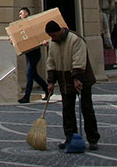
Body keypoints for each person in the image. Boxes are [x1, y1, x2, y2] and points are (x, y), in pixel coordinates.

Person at [44, 20, 100, 151]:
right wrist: (51, 81)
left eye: (53, 35)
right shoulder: (52, 43)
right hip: (64, 81)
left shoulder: (75, 39)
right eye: (50, 36)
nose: (52, 38)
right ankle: (70, 138)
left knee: (87, 110)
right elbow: (50, 62)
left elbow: (79, 60)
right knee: (67, 111)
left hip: (82, 80)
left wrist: (77, 78)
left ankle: (93, 139)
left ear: (58, 31)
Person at [17, 7, 48, 103]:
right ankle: (47, 89)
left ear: (26, 14)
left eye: (21, 13)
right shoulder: (22, 26)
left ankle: (27, 96)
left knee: (29, 73)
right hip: (29, 53)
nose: (19, 15)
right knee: (33, 74)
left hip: (35, 53)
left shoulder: (31, 23)